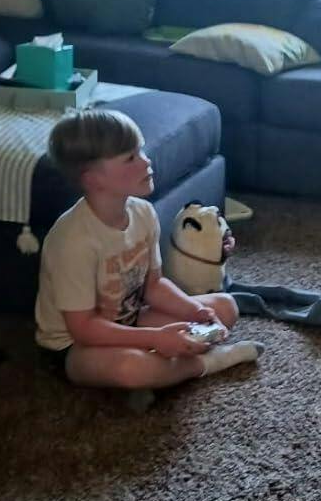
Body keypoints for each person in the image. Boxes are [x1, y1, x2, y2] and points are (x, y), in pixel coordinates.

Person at [35, 108, 262, 405]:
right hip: (75, 346)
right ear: (93, 179)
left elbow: (153, 286)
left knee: (225, 307)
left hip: (130, 317)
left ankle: (161, 371)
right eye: (130, 158)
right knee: (132, 368)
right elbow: (84, 329)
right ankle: (208, 362)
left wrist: (195, 311)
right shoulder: (73, 240)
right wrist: (155, 338)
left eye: (140, 150)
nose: (146, 161)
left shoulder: (143, 213)